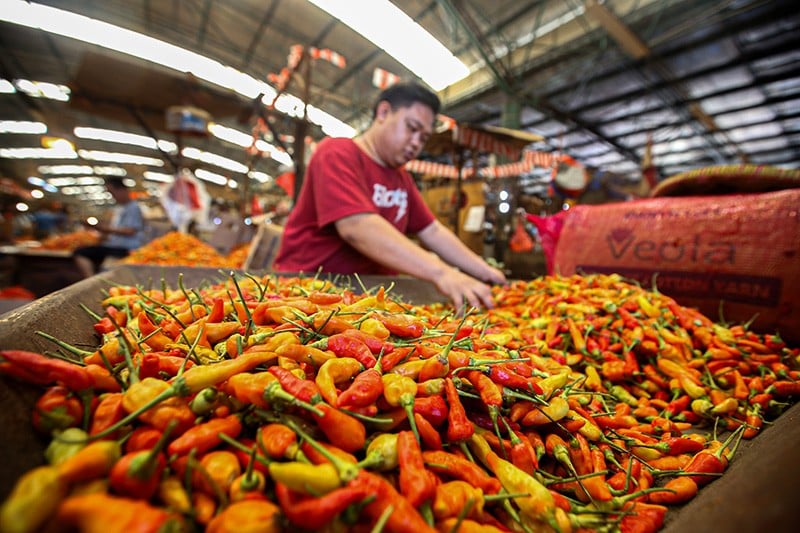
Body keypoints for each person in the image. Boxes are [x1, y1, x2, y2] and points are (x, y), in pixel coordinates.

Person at [273, 82, 506, 309]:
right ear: (383, 112)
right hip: (307, 296)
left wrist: (484, 271)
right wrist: (442, 272)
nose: (416, 143)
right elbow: (357, 226)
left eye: (423, 137)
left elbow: (432, 231)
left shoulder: (401, 178)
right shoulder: (337, 153)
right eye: (412, 128)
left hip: (366, 302)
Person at [73, 177, 144, 277]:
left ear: (122, 190)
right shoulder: (119, 208)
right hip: (115, 246)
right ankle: (91, 279)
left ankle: (91, 280)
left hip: (125, 248)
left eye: (113, 192)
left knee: (81, 252)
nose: (112, 196)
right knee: (82, 251)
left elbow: (130, 231)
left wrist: (105, 229)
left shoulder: (133, 208)